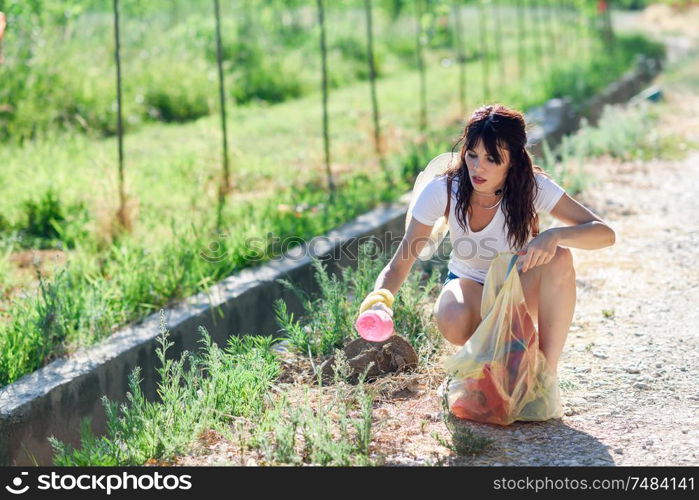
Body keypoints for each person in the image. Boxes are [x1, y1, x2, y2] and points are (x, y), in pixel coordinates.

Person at [365, 104, 615, 372]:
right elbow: (400, 262)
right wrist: (379, 301)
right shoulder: (443, 190)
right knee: (453, 317)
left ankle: (546, 373)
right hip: (469, 288)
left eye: (491, 159)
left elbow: (604, 234)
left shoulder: (532, 187)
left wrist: (555, 235)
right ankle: (488, 361)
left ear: (513, 161)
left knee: (560, 257)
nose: (477, 168)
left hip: (519, 288)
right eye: (472, 155)